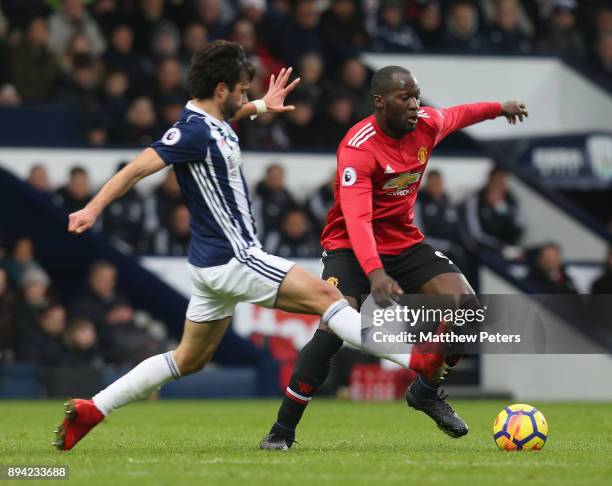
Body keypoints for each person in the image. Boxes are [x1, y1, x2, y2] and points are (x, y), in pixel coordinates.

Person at [54, 41, 436, 452]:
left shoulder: (213, 118)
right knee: (330, 298)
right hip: (236, 257)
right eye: (240, 89)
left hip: (209, 268)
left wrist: (261, 106)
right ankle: (416, 360)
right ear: (220, 89)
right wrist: (92, 209)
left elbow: (235, 112)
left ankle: (93, 408)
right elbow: (137, 168)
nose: (244, 95)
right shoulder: (192, 131)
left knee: (188, 359)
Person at [260, 64, 529, 450]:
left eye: (417, 96)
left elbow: (459, 114)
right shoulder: (358, 148)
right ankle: (282, 431)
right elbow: (356, 219)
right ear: (380, 102)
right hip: (350, 247)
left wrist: (500, 107)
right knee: (331, 331)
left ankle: (425, 391)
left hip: (403, 241)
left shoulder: (426, 124)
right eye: (406, 97)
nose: (415, 105)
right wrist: (375, 272)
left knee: (468, 308)